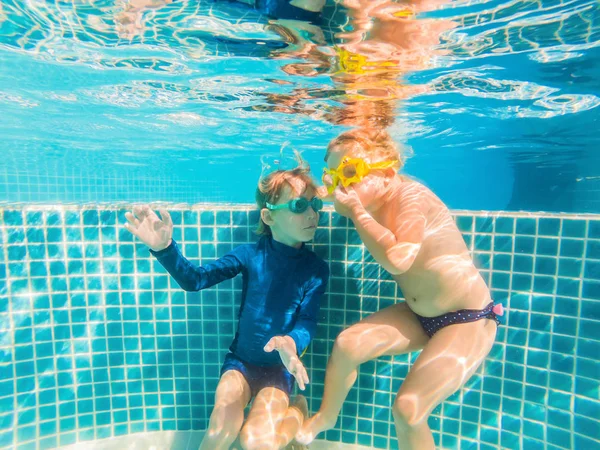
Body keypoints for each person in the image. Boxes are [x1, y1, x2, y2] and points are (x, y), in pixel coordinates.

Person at [296, 128, 503, 449]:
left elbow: (398, 259)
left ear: (389, 172)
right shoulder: (368, 193)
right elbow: (336, 199)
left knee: (408, 409)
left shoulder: (411, 198)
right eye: (335, 174)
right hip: (420, 314)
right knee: (348, 345)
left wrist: (358, 211)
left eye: (349, 172)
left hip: (468, 318)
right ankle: (327, 416)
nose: (343, 184)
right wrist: (322, 190)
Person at [124, 159, 329, 450]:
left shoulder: (315, 269)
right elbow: (195, 280)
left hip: (280, 369)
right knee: (218, 436)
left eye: (315, 205)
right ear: (269, 218)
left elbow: (307, 320)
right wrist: (164, 249)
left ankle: (296, 411)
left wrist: (291, 343)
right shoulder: (249, 255)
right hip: (240, 364)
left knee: (256, 443)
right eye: (299, 206)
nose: (312, 214)